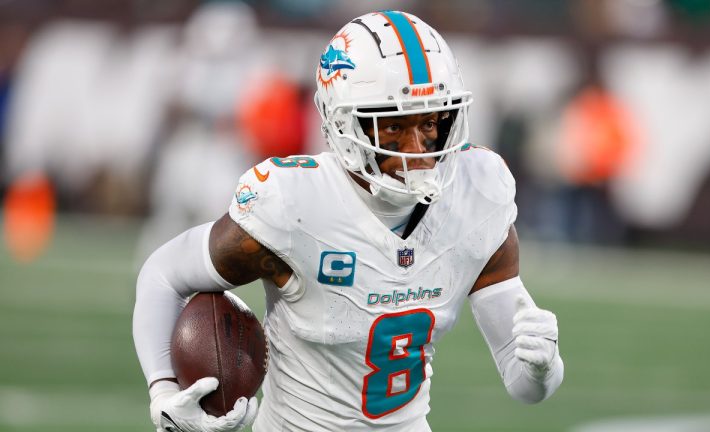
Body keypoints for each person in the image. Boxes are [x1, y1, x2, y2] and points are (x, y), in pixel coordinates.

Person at [133, 10, 564, 432]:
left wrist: (543, 367)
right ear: (343, 124)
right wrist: (164, 392)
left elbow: (524, 385)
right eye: (392, 127)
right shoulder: (295, 204)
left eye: (431, 120)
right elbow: (164, 274)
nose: (417, 147)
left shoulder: (477, 192)